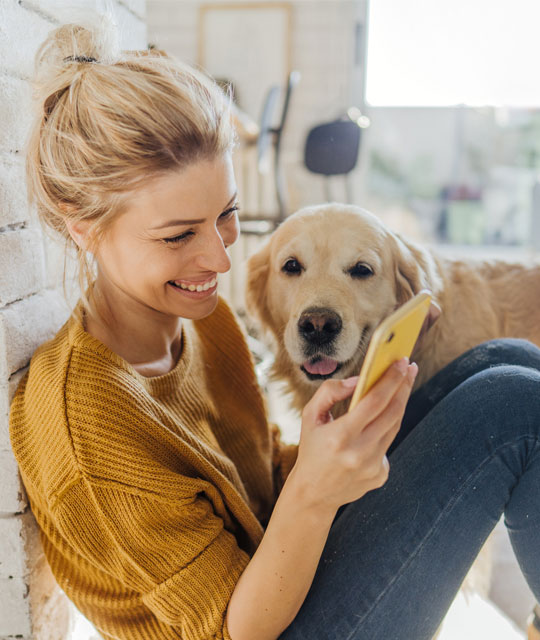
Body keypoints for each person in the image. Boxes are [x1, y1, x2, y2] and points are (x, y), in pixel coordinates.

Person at [9, 12, 540, 640]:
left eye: (226, 215)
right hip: (258, 626)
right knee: (512, 404)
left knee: (504, 362)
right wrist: (317, 488)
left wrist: (330, 450)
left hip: (285, 574)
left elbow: (256, 477)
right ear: (84, 227)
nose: (219, 258)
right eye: (179, 234)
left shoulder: (200, 323)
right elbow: (238, 628)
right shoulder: (89, 422)